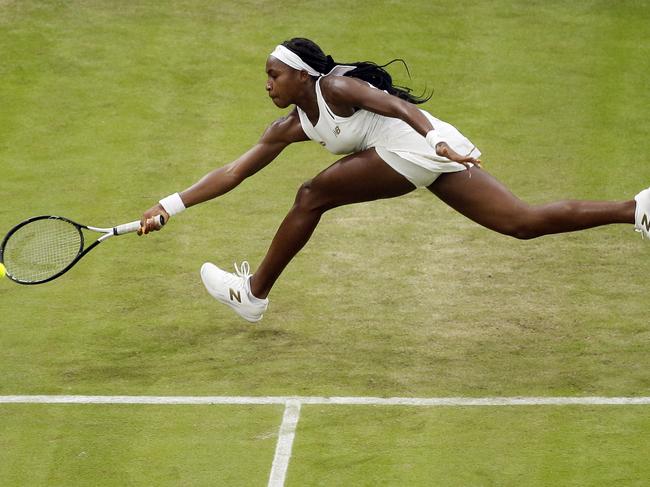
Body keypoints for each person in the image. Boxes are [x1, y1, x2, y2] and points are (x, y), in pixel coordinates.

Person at [140, 37, 650, 323]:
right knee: (520, 223)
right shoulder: (292, 125)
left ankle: (253, 294)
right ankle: (638, 208)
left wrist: (437, 143)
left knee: (311, 195)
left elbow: (397, 106)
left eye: (275, 73)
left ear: (302, 75)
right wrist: (169, 205)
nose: (267, 82)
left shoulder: (338, 87)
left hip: (420, 143)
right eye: (266, 75)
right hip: (415, 151)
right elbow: (234, 171)